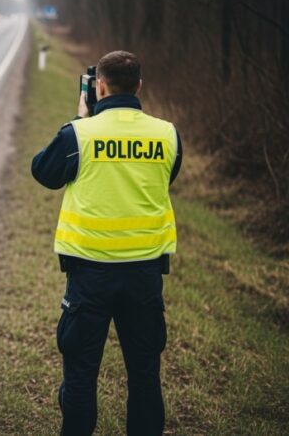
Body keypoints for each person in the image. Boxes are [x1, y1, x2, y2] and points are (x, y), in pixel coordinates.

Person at [31, 51, 182, 436]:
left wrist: (83, 119)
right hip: (146, 277)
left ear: (98, 86)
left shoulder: (78, 134)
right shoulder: (166, 133)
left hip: (90, 278)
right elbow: (168, 175)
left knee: (81, 375)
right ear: (140, 86)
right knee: (146, 376)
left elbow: (43, 173)